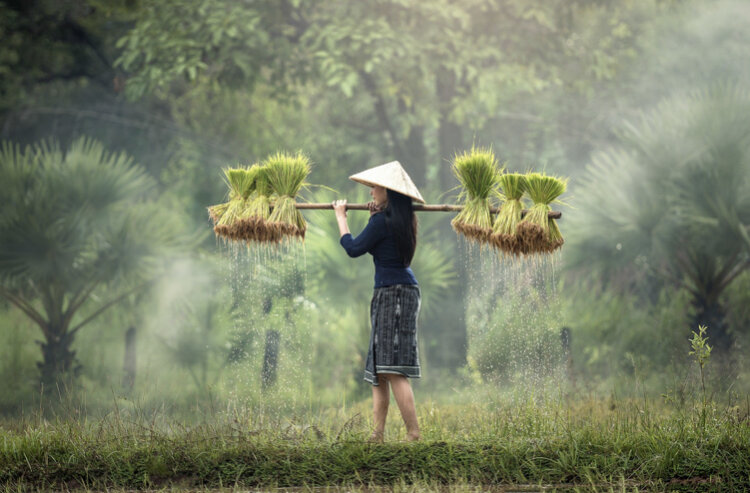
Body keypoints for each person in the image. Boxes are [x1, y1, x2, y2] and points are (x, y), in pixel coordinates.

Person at [332, 161, 425, 443]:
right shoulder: (400, 220)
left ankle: (413, 433)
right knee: (379, 368)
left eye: (374, 187)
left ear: (388, 191)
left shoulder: (382, 222)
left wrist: (341, 216)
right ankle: (377, 434)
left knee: (391, 368)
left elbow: (353, 248)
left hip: (394, 293)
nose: (371, 192)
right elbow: (378, 237)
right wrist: (374, 216)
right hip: (395, 290)